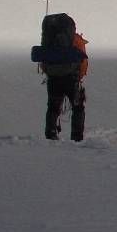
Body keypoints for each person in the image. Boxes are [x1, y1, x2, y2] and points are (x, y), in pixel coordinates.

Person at [34, 12, 89, 142]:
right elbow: (83, 62)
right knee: (78, 106)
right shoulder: (75, 40)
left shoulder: (49, 41)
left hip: (53, 77)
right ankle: (77, 137)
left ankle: (51, 134)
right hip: (71, 77)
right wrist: (79, 76)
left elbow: (43, 61)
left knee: (53, 106)